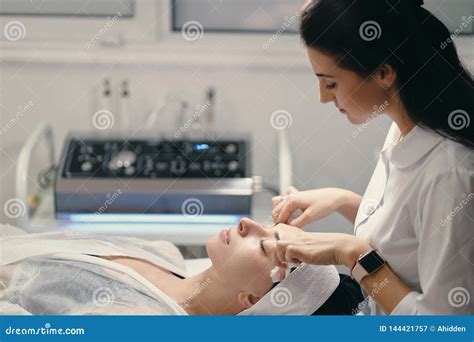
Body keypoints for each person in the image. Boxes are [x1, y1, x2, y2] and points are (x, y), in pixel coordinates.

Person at [267, 0, 473, 315]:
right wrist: (345, 201)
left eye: (330, 82)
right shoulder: (405, 131)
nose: (323, 97)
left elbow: (446, 329)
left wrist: (350, 253)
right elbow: (410, 242)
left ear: (383, 72)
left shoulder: (450, 173)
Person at [0, 220, 362, 315]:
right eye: (270, 227)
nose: (247, 224)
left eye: (265, 245)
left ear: (254, 300)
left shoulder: (140, 319)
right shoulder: (165, 254)